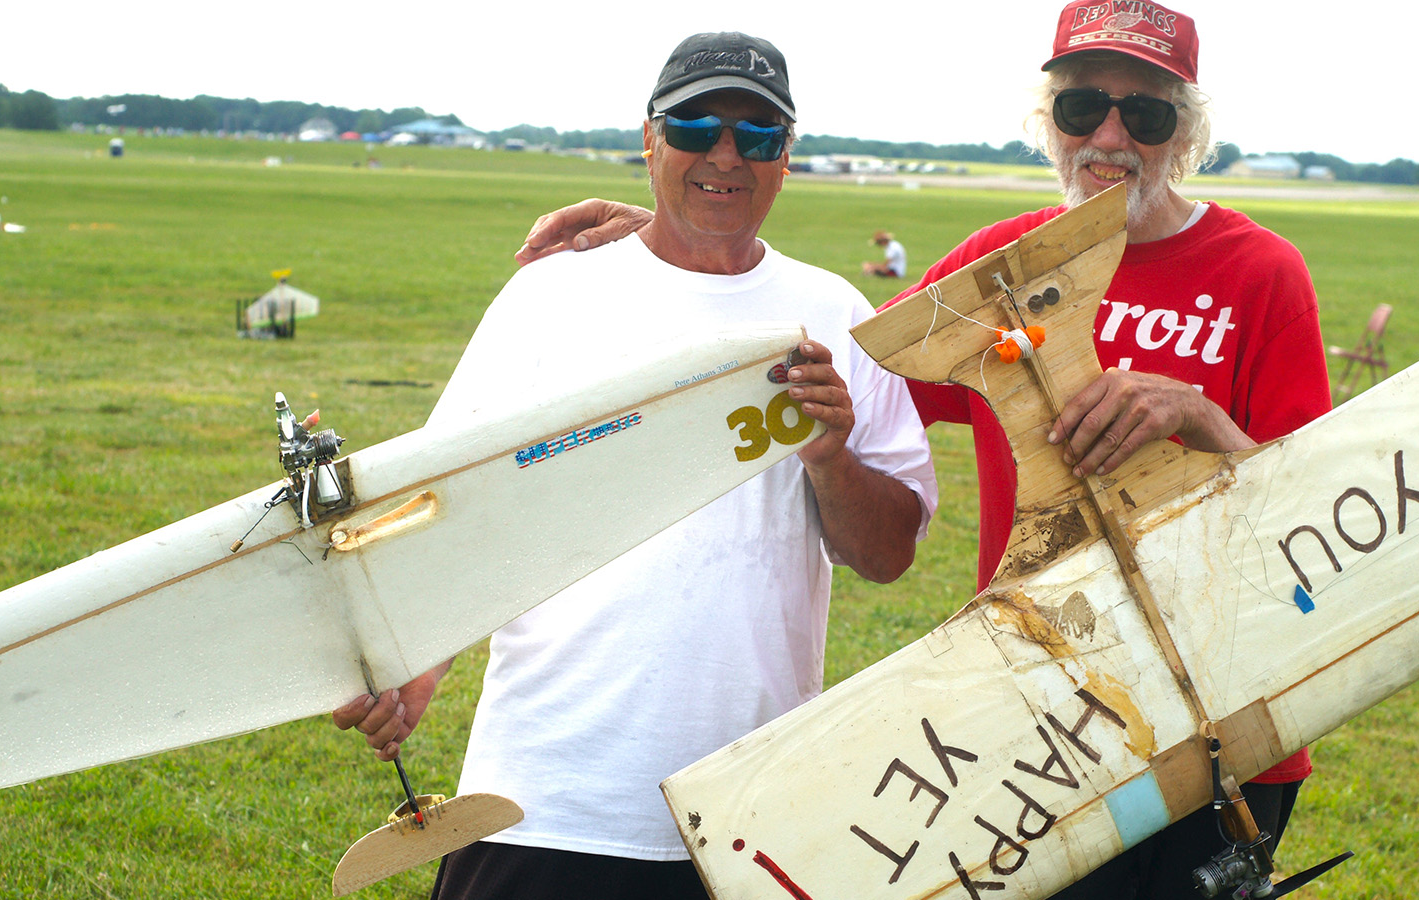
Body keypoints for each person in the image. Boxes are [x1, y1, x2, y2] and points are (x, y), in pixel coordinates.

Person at [513, 4, 1332, 897]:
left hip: (1226, 716)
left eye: (1145, 115)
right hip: (1051, 721)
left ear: (1187, 133)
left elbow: (1318, 515)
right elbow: (847, 363)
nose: (1109, 137)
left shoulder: (1263, 271)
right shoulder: (1001, 267)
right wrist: (680, 236)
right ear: (1048, 123)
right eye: (1081, 107)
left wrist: (1198, 413)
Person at [335, 31, 937, 900]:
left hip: (746, 817)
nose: (725, 154)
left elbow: (889, 555)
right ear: (650, 140)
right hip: (545, 798)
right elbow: (446, 501)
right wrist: (413, 660)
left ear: (786, 158)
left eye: (758, 134)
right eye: (696, 126)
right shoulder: (553, 295)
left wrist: (830, 457)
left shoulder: (835, 311)